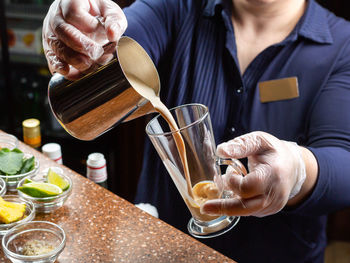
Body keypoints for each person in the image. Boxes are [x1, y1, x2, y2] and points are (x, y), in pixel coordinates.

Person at [42, 0, 350, 262]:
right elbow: (116, 45)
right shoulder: (179, 7)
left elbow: (343, 162)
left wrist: (297, 170)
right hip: (162, 246)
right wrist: (83, 33)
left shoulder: (341, 44)